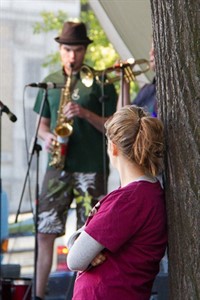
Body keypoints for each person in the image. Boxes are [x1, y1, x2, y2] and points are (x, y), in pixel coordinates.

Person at [33, 21, 117, 300]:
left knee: (89, 239)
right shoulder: (51, 81)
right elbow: (42, 126)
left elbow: (111, 126)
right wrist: (47, 138)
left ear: (85, 51)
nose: (72, 56)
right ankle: (38, 293)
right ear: (60, 50)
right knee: (45, 232)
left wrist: (84, 113)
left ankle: (83, 294)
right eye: (68, 50)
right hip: (57, 167)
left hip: (91, 168)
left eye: (78, 50)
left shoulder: (101, 83)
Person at [67, 105, 168, 300]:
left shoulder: (129, 200)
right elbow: (79, 247)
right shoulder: (145, 193)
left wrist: (86, 248)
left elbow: (75, 259)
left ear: (113, 147)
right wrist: (84, 247)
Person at [118, 42, 157, 116]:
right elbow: (123, 117)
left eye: (155, 48)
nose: (150, 52)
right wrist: (124, 82)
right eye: (151, 48)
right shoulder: (147, 89)